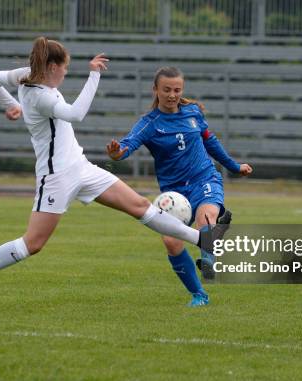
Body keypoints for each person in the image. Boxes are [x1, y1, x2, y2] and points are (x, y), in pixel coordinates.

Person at [0, 38, 226, 307]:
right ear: (52, 67)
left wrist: (10, 105)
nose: (67, 72)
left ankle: (202, 239)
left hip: (81, 168)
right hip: (56, 176)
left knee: (140, 206)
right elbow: (75, 114)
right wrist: (93, 76)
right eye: (65, 67)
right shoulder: (39, 95)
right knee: (32, 243)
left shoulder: (25, 75)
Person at [106, 66, 252, 305]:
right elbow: (127, 146)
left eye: (177, 90)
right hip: (174, 193)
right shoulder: (150, 124)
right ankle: (199, 295)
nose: (172, 95)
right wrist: (116, 154)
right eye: (166, 90)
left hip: (204, 178)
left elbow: (211, 143)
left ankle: (208, 261)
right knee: (171, 242)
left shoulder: (193, 113)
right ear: (155, 90)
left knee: (205, 217)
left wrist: (235, 167)